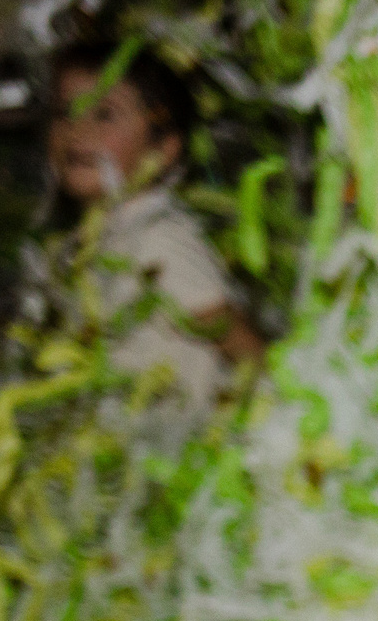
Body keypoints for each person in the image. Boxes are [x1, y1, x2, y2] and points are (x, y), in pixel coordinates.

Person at [44, 42, 262, 408]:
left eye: (104, 114)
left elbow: (243, 346)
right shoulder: (89, 241)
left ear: (162, 151)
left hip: (180, 450)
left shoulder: (160, 238)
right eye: (65, 112)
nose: (77, 130)